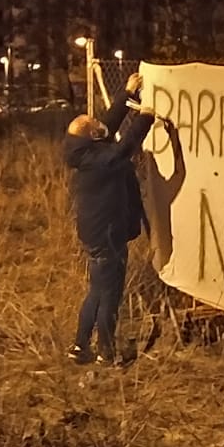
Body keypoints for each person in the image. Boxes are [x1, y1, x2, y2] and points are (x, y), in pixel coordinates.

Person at [64, 72, 154, 366]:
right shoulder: (99, 160)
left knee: (97, 290)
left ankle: (80, 346)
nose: (100, 125)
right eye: (95, 126)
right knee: (110, 294)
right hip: (107, 235)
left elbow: (107, 124)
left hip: (95, 234)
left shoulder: (83, 150)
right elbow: (123, 150)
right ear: (92, 136)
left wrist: (127, 95)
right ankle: (106, 351)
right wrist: (145, 119)